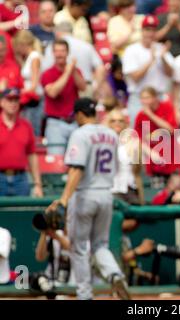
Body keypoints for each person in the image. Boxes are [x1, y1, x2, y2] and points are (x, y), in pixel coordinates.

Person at [46, 97, 130, 300]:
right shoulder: (111, 134)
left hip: (85, 194)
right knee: (101, 245)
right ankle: (114, 274)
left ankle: (84, 294)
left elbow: (77, 168)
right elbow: (117, 169)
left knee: (80, 247)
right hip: (106, 194)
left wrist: (64, 199)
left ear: (80, 114)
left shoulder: (80, 133)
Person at [122, 15, 174, 126]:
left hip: (158, 99)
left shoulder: (161, 48)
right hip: (139, 98)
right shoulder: (131, 50)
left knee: (160, 137)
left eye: (153, 30)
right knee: (136, 136)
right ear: (142, 31)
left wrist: (163, 57)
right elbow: (135, 77)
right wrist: (151, 60)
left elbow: (171, 74)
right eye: (147, 29)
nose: (150, 33)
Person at [41, 39, 86, 155]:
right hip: (55, 123)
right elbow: (53, 92)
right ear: (53, 53)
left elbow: (83, 87)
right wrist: (67, 72)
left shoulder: (75, 71)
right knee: (56, 157)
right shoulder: (47, 74)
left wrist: (73, 71)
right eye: (57, 51)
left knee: (77, 158)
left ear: (68, 53)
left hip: (74, 121)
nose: (60, 54)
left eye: (63, 51)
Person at [42, 22, 105, 100]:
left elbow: (45, 69)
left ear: (57, 33)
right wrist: (95, 86)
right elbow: (101, 68)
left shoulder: (52, 47)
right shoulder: (86, 45)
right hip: (85, 85)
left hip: (62, 87)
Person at [0, 88, 43, 197]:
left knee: (21, 211)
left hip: (21, 178)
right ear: (2, 102)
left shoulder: (26, 125)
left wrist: (37, 184)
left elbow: (32, 155)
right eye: (10, 100)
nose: (13, 103)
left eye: (16, 100)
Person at [134, 86, 178, 178]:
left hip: (170, 153)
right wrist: (150, 152)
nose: (144, 101)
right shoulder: (140, 116)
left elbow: (170, 130)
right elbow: (137, 138)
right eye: (142, 98)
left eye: (147, 98)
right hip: (152, 155)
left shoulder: (166, 107)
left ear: (155, 97)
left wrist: (150, 114)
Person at [106, 109, 145, 205]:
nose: (117, 123)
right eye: (113, 121)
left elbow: (137, 172)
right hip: (111, 190)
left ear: (126, 123)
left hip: (130, 189)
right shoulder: (103, 144)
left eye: (120, 121)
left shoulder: (133, 143)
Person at [13, 30, 43, 136]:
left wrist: (19, 92)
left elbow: (34, 85)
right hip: (29, 99)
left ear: (22, 44)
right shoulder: (30, 57)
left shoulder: (34, 57)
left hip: (33, 100)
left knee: (31, 130)